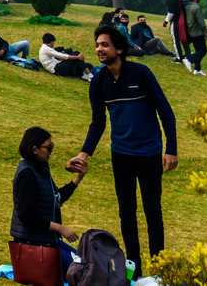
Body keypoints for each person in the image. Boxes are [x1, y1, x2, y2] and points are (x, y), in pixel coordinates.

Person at [66, 24, 179, 273]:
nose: (99, 49)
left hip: (149, 153)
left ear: (119, 48)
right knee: (126, 212)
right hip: (121, 155)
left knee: (152, 209)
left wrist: (171, 149)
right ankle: (134, 268)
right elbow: (98, 122)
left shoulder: (141, 74)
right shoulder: (98, 82)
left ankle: (159, 267)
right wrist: (83, 154)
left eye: (104, 44)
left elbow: (165, 112)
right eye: (97, 45)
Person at [11, 125, 85, 281]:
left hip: (46, 240)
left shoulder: (40, 169)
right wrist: (60, 228)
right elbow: (26, 216)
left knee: (84, 263)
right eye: (49, 147)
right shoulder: (28, 175)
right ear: (35, 149)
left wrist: (78, 178)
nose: (51, 151)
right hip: (32, 244)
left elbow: (54, 198)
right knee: (81, 273)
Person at [160, 0, 189, 64]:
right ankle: (187, 55)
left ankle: (179, 58)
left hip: (175, 21)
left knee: (175, 40)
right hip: (182, 20)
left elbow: (170, 13)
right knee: (182, 38)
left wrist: (165, 22)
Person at [183, 0, 207, 76]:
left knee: (198, 50)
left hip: (190, 32)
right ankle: (189, 59)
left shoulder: (187, 6)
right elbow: (201, 22)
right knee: (203, 51)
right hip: (197, 33)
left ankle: (197, 69)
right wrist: (206, 31)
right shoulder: (196, 8)